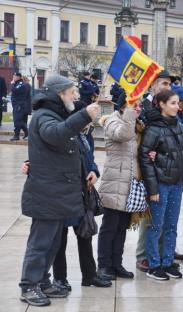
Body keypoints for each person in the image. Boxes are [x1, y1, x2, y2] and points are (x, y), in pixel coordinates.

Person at [19, 75, 100, 307]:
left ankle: (43, 281)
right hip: (47, 192)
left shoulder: (56, 114)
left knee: (53, 243)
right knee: (40, 243)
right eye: (71, 92)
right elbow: (55, 135)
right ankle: (29, 285)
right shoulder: (44, 116)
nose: (75, 96)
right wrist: (84, 115)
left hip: (58, 193)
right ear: (59, 94)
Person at [140, 90, 183, 280]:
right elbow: (146, 159)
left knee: (171, 225)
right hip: (161, 184)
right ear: (162, 104)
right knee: (156, 225)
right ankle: (154, 265)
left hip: (176, 183)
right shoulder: (153, 128)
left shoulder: (179, 125)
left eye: (177, 103)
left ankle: (167, 261)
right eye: (173, 103)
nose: (177, 106)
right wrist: (153, 188)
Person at [97, 94, 143, 281]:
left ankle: (116, 264)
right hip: (114, 181)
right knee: (110, 226)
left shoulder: (134, 122)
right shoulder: (112, 121)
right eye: (135, 104)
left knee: (122, 227)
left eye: (139, 105)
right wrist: (131, 114)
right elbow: (123, 135)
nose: (139, 108)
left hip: (129, 183)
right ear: (124, 105)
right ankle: (104, 266)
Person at [135, 70, 173, 272]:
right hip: (148, 167)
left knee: (164, 213)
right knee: (149, 212)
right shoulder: (143, 107)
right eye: (164, 84)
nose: (168, 88)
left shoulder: (166, 105)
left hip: (165, 167)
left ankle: (161, 251)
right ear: (153, 85)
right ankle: (144, 255)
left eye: (169, 84)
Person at [10, 72, 31, 140]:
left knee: (17, 120)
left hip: (19, 105)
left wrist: (12, 84)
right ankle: (26, 131)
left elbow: (15, 90)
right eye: (13, 76)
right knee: (18, 120)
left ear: (18, 77)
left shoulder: (21, 84)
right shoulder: (18, 83)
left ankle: (17, 135)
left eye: (14, 76)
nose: (13, 77)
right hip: (17, 105)